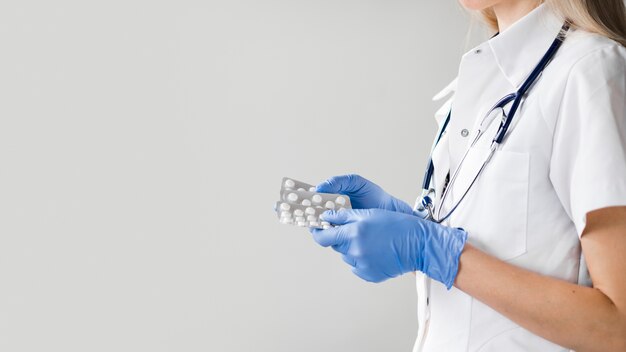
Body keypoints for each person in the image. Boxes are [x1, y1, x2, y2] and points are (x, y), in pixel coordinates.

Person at [308, 0, 626, 351]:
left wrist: (435, 251)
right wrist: (417, 233)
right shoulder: (487, 81)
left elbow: (619, 325)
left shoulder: (589, 71)